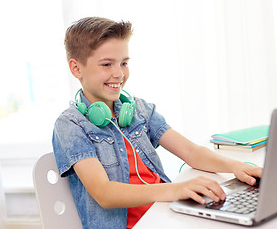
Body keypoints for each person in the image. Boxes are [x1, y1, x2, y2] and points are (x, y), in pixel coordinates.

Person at [52, 17, 262, 229]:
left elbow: (190, 151)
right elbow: (104, 193)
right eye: (107, 64)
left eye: (124, 63)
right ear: (76, 68)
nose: (119, 73)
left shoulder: (139, 110)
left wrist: (237, 167)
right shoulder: (71, 125)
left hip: (166, 215)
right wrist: (175, 190)